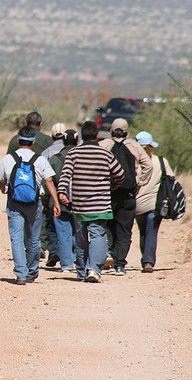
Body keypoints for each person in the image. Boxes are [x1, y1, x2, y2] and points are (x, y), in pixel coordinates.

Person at [57, 121, 124, 282]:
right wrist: (110, 188)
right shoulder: (105, 154)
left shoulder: (73, 153)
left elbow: (65, 175)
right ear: (97, 136)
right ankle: (93, 269)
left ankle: (81, 273)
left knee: (81, 240)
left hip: (79, 205)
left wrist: (61, 192)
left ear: (81, 137)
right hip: (100, 204)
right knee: (98, 236)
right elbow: (120, 175)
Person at [0, 126, 61, 285]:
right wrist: (56, 202)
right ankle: (32, 271)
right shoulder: (40, 160)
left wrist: (4, 188)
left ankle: (21, 274)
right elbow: (49, 181)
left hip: (14, 203)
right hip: (34, 203)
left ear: (18, 141)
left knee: (17, 238)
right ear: (33, 142)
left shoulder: (8, 159)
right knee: (33, 238)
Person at [99, 118, 152, 276]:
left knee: (107, 226)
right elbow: (148, 166)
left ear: (111, 131)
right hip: (128, 193)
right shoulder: (135, 146)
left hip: (107, 193)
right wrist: (140, 183)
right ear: (127, 132)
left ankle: (108, 254)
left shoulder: (103, 145)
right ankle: (120, 264)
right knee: (124, 230)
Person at [6, 112, 54, 260]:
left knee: (20, 215)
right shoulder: (47, 140)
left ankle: (28, 245)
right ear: (40, 125)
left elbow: (8, 161)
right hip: (41, 183)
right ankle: (40, 245)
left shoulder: (15, 140)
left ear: (26, 123)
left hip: (19, 185)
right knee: (40, 215)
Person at [134, 131, 174, 273]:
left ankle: (145, 258)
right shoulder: (161, 161)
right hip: (155, 204)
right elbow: (171, 179)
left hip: (138, 205)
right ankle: (148, 261)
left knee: (143, 231)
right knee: (152, 231)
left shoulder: (135, 163)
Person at [48, 129, 79, 273]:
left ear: (63, 141)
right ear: (78, 141)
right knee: (79, 232)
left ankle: (66, 264)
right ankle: (78, 260)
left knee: (63, 233)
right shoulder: (83, 157)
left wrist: (50, 201)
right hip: (81, 202)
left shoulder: (54, 159)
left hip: (59, 202)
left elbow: (47, 181)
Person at [40, 122, 67, 267]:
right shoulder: (75, 150)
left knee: (51, 225)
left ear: (52, 136)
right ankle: (70, 255)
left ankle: (54, 251)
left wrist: (44, 198)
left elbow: (45, 178)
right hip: (72, 194)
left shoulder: (47, 152)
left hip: (53, 194)